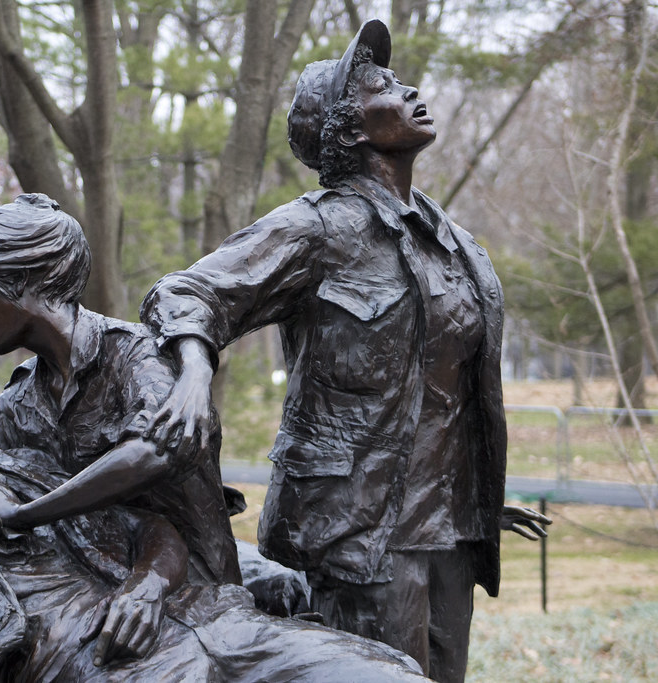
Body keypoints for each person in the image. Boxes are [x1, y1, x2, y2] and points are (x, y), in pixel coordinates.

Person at [138, 19, 548, 683]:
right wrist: (191, 375)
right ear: (349, 129)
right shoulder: (318, 229)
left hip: (448, 533)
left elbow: (448, 388)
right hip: (357, 536)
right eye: (384, 86)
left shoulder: (455, 244)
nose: (410, 90)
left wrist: (479, 491)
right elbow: (185, 294)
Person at [0, 399, 428, 682]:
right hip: (100, 668)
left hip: (202, 622)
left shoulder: (16, 469)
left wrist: (146, 584)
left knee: (388, 675)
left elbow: (148, 528)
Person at [0, 193, 240, 585]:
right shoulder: (19, 402)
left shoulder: (138, 356)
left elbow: (152, 452)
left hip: (193, 590)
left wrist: (23, 515)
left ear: (19, 278)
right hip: (90, 588)